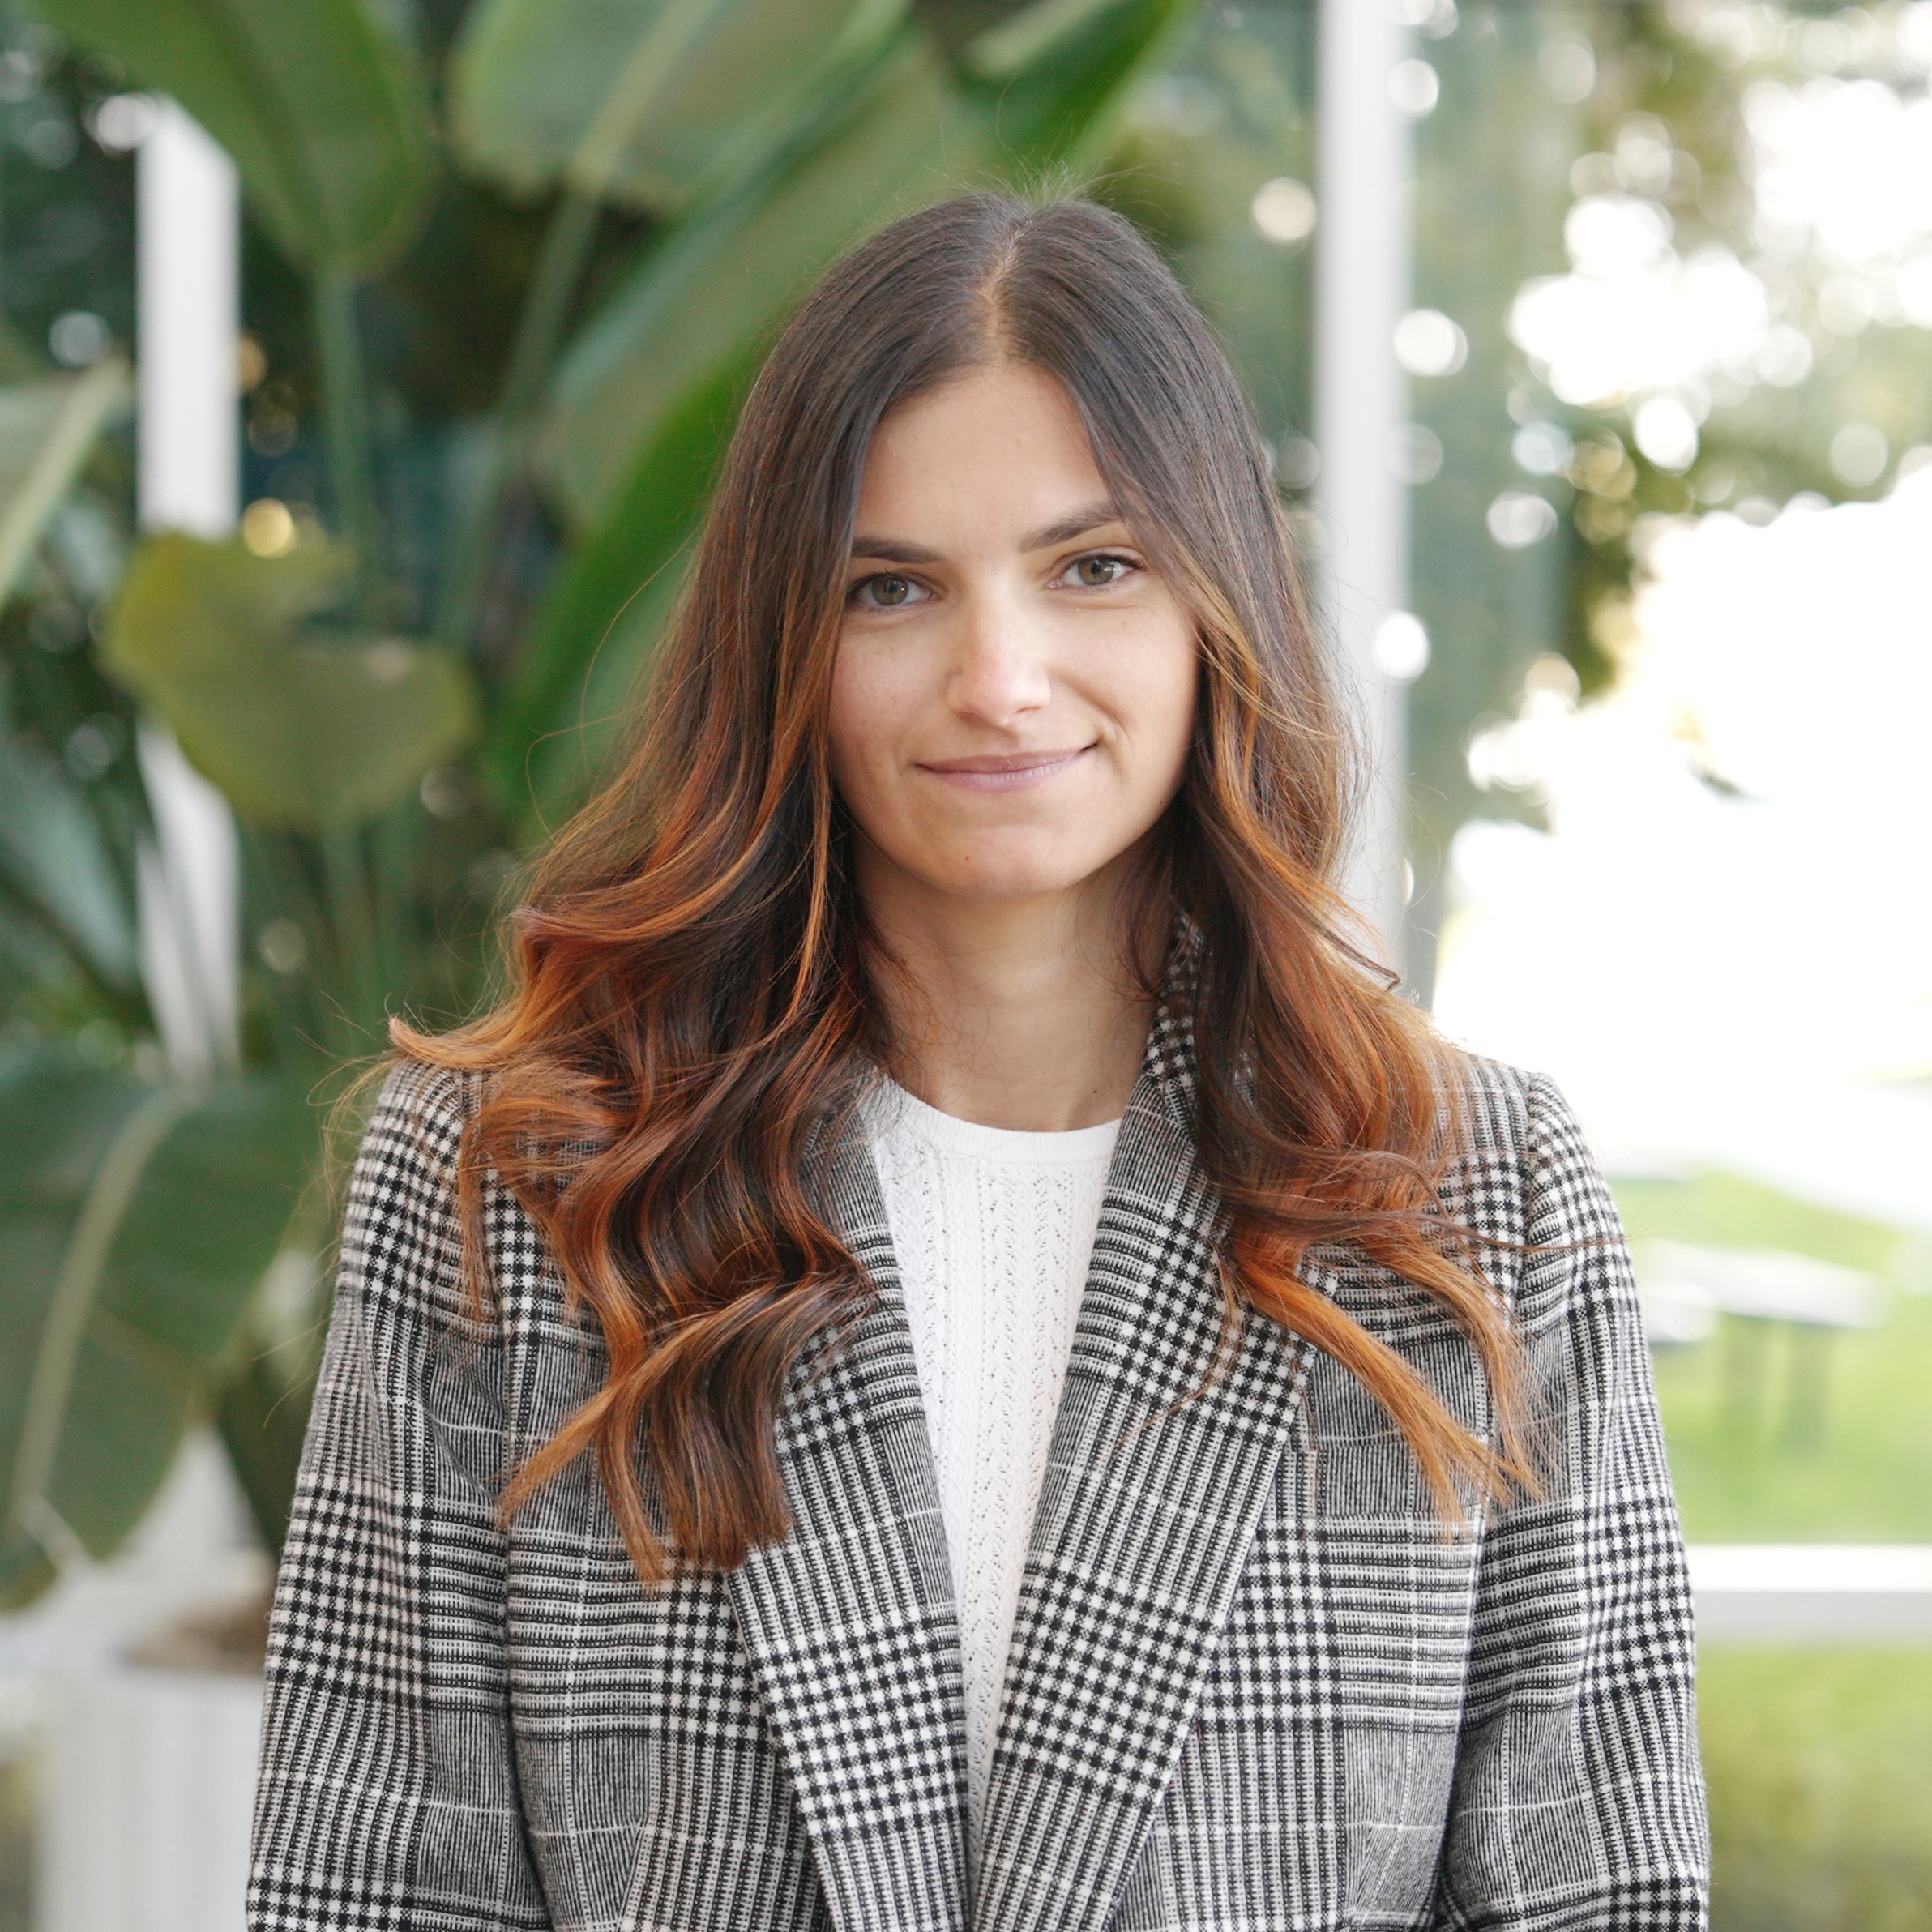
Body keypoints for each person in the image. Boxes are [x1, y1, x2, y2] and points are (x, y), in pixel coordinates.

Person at [250, 194, 1708, 1932]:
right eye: (890, 589)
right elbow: (369, 1891)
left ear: (1211, 606)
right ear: (784, 643)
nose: (999, 681)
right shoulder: (516, 1177)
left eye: (1092, 567)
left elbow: (1596, 1890)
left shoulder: (1473, 1187)